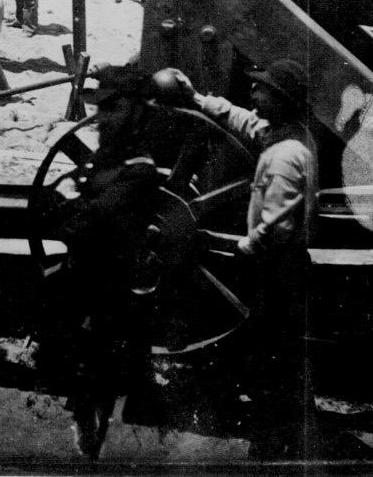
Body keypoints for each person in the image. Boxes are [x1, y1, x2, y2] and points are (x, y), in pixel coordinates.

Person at [158, 59, 319, 460]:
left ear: (281, 100)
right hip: (285, 262)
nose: (253, 92)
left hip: (278, 265)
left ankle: (273, 445)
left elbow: (277, 225)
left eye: (263, 90)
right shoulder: (288, 134)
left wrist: (244, 245)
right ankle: (293, 431)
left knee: (274, 354)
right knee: (283, 354)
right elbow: (243, 119)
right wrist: (196, 98)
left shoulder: (285, 157)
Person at [42, 64, 162, 460]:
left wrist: (68, 206)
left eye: (112, 109)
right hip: (88, 278)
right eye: (100, 109)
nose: (101, 118)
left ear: (136, 111)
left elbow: (84, 223)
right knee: (84, 355)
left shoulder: (138, 171)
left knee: (99, 360)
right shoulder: (111, 158)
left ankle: (93, 439)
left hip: (110, 287)